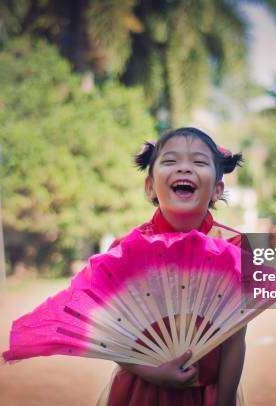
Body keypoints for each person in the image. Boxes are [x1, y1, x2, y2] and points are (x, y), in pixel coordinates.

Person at [98, 127, 246, 406]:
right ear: (150, 186)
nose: (184, 169)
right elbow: (110, 333)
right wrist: (150, 372)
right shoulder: (125, 250)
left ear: (217, 189)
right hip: (140, 391)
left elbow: (235, 339)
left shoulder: (234, 246)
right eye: (170, 161)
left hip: (208, 395)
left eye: (199, 162)